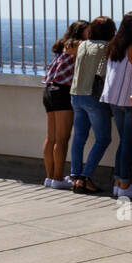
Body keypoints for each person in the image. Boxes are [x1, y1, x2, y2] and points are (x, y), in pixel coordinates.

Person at [102, 11, 132, 199]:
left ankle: (118, 182)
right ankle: (124, 183)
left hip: (114, 99)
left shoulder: (114, 44)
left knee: (124, 142)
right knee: (129, 144)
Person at [67, 15, 116, 194]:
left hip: (76, 93)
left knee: (79, 137)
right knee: (103, 139)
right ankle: (85, 177)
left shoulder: (83, 45)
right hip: (93, 96)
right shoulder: (106, 48)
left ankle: (74, 175)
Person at [42, 19, 87, 190]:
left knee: (51, 137)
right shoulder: (77, 45)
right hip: (62, 92)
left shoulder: (63, 46)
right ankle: (58, 177)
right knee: (62, 138)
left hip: (49, 90)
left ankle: (50, 177)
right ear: (80, 32)